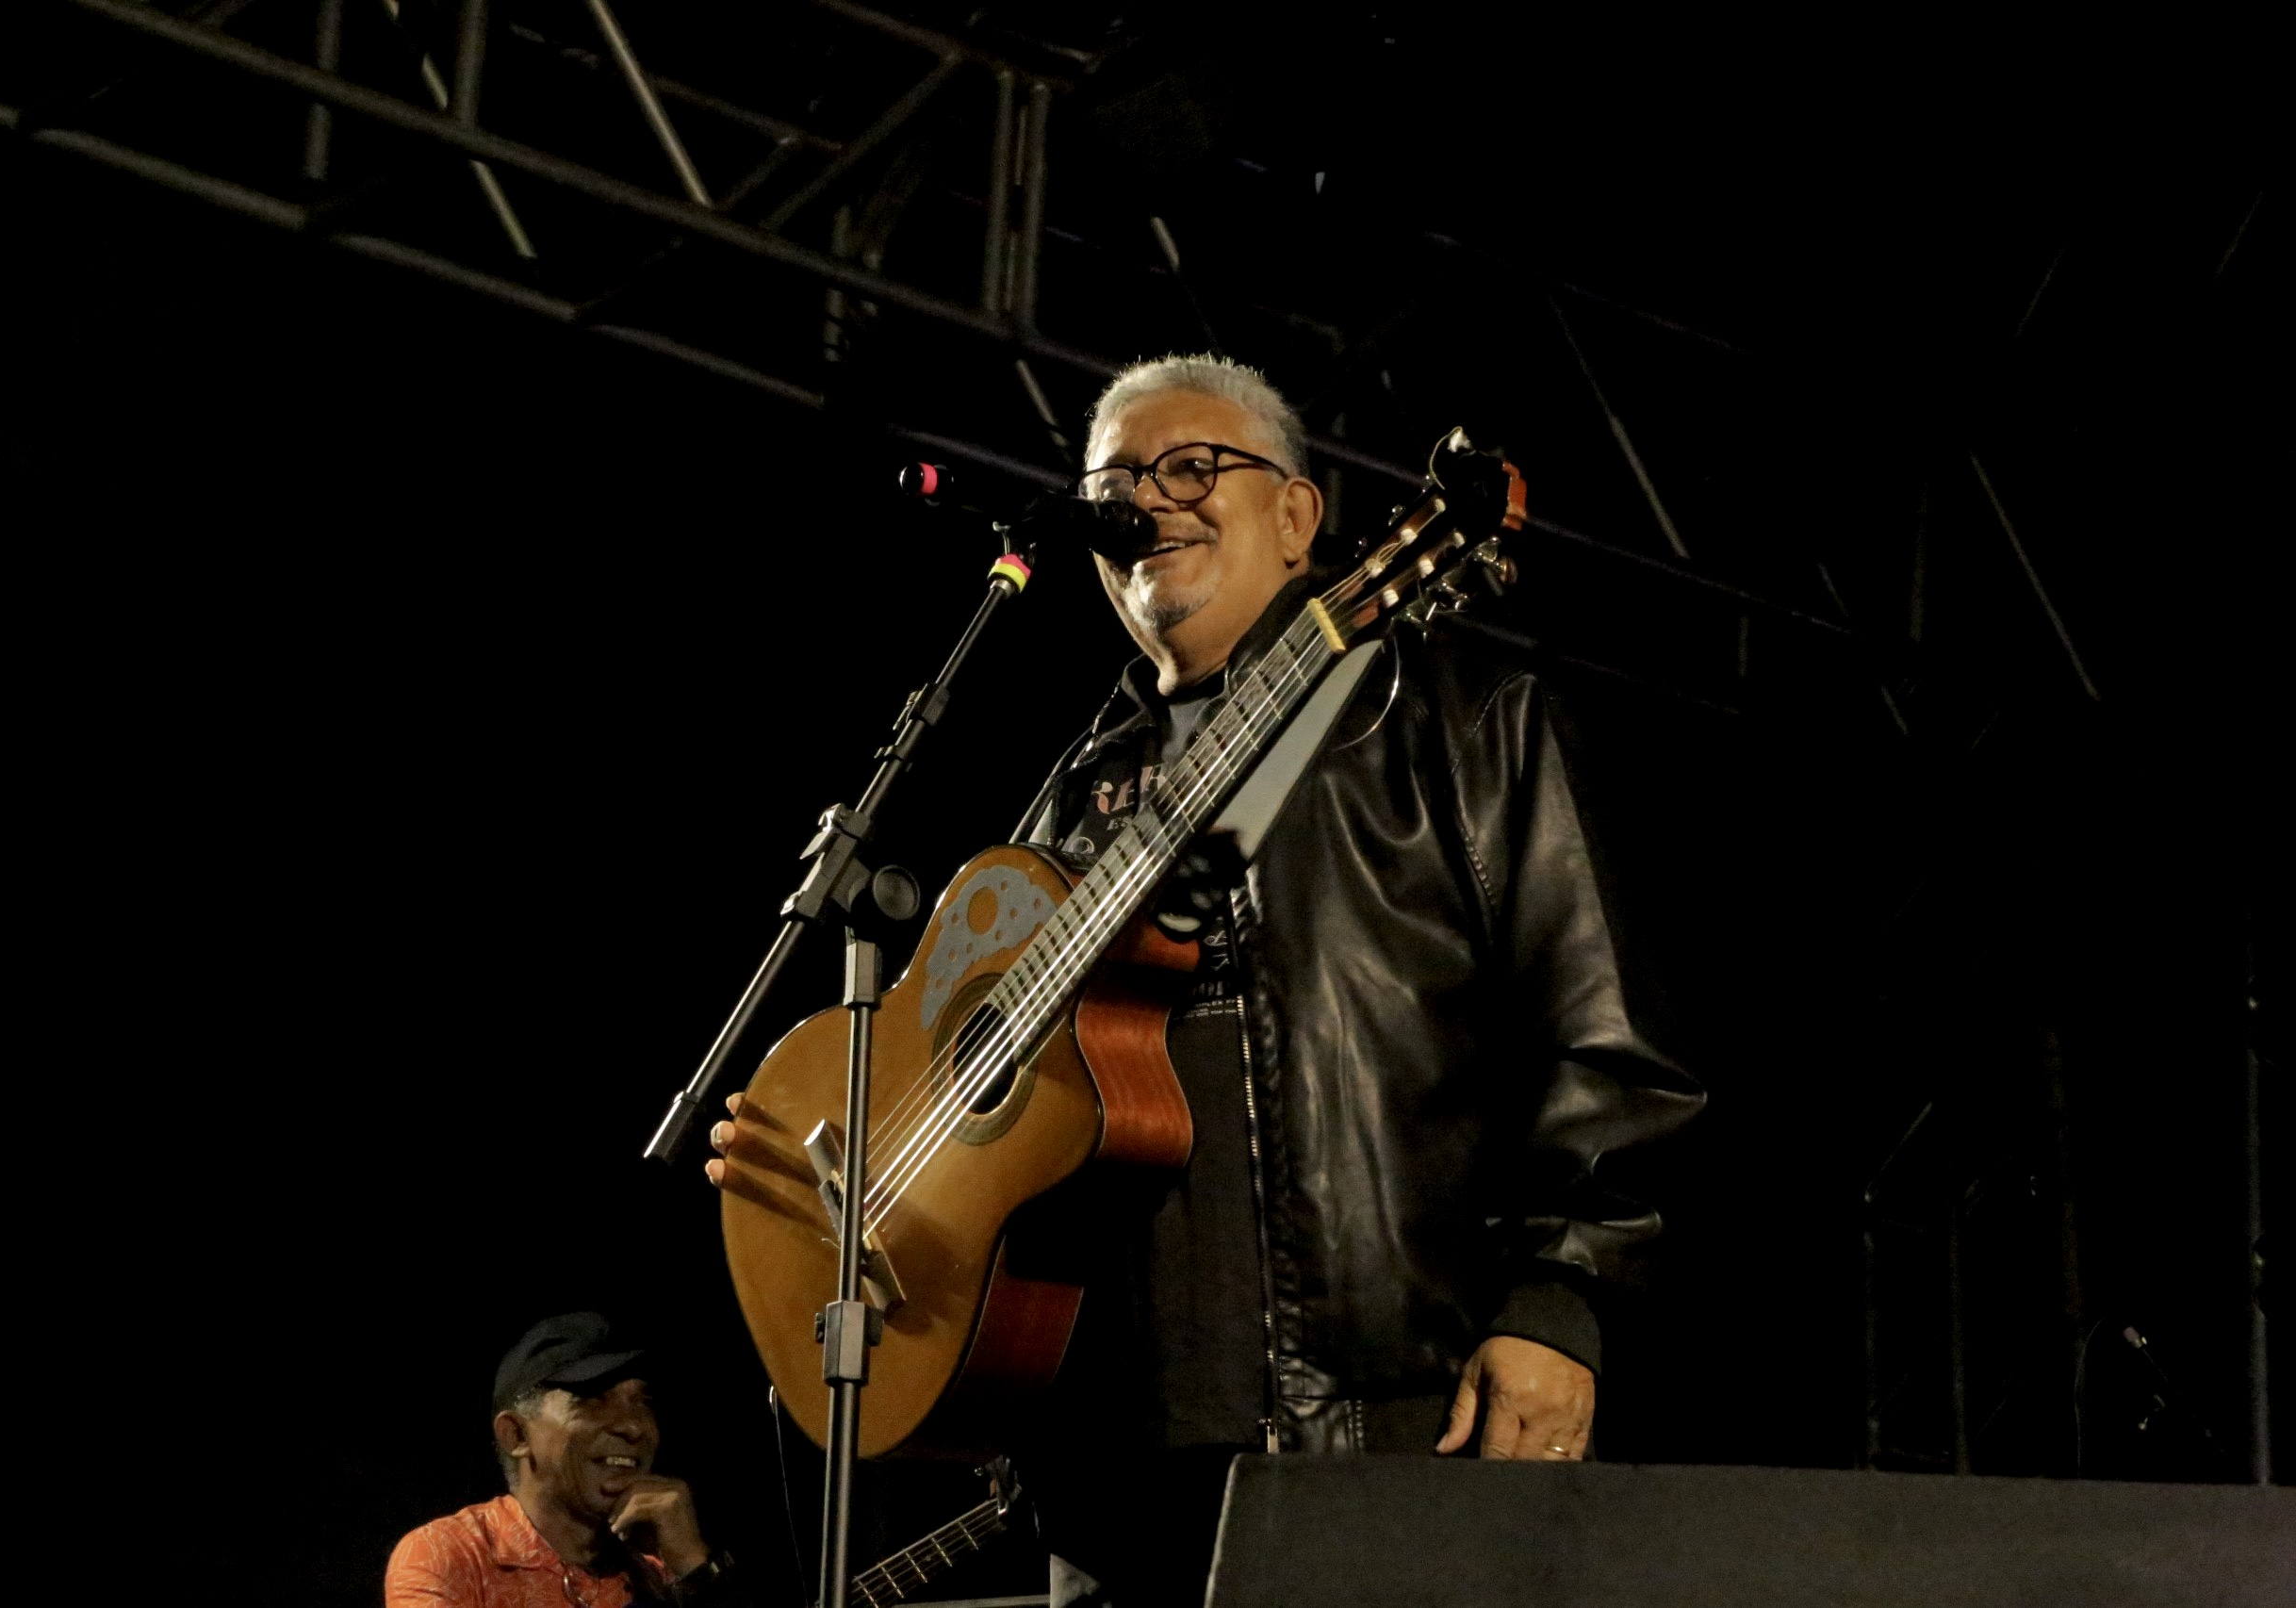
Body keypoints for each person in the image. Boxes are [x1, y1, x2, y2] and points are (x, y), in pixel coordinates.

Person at [710, 353, 1703, 1605]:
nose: (1149, 500)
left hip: (1390, 1425)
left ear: (1298, 517)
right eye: (1115, 482)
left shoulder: (1460, 720)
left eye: (1193, 466)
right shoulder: (1071, 802)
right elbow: (950, 1067)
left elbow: (1611, 1042)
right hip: (1113, 1481)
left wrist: (1562, 1300)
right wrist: (832, 1150)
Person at [386, 1312, 736, 1608]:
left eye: (643, 1402)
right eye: (593, 1398)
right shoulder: (453, 1555)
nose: (633, 1427)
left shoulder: (666, 1567)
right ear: (517, 1436)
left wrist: (695, 1567)